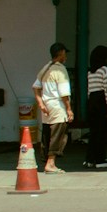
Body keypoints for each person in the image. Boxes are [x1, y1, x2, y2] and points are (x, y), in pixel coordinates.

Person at [32, 42, 73, 173]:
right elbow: (64, 93)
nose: (65, 56)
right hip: (57, 106)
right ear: (61, 53)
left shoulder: (45, 68)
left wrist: (40, 103)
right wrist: (69, 109)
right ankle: (51, 163)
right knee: (58, 135)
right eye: (64, 53)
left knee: (47, 134)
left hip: (46, 106)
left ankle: (46, 161)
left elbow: (36, 87)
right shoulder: (60, 69)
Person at [84, 46, 107, 168]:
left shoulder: (90, 72)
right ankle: (100, 159)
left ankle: (90, 159)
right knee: (103, 132)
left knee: (94, 132)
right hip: (102, 102)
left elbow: (89, 91)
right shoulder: (105, 70)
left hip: (92, 102)